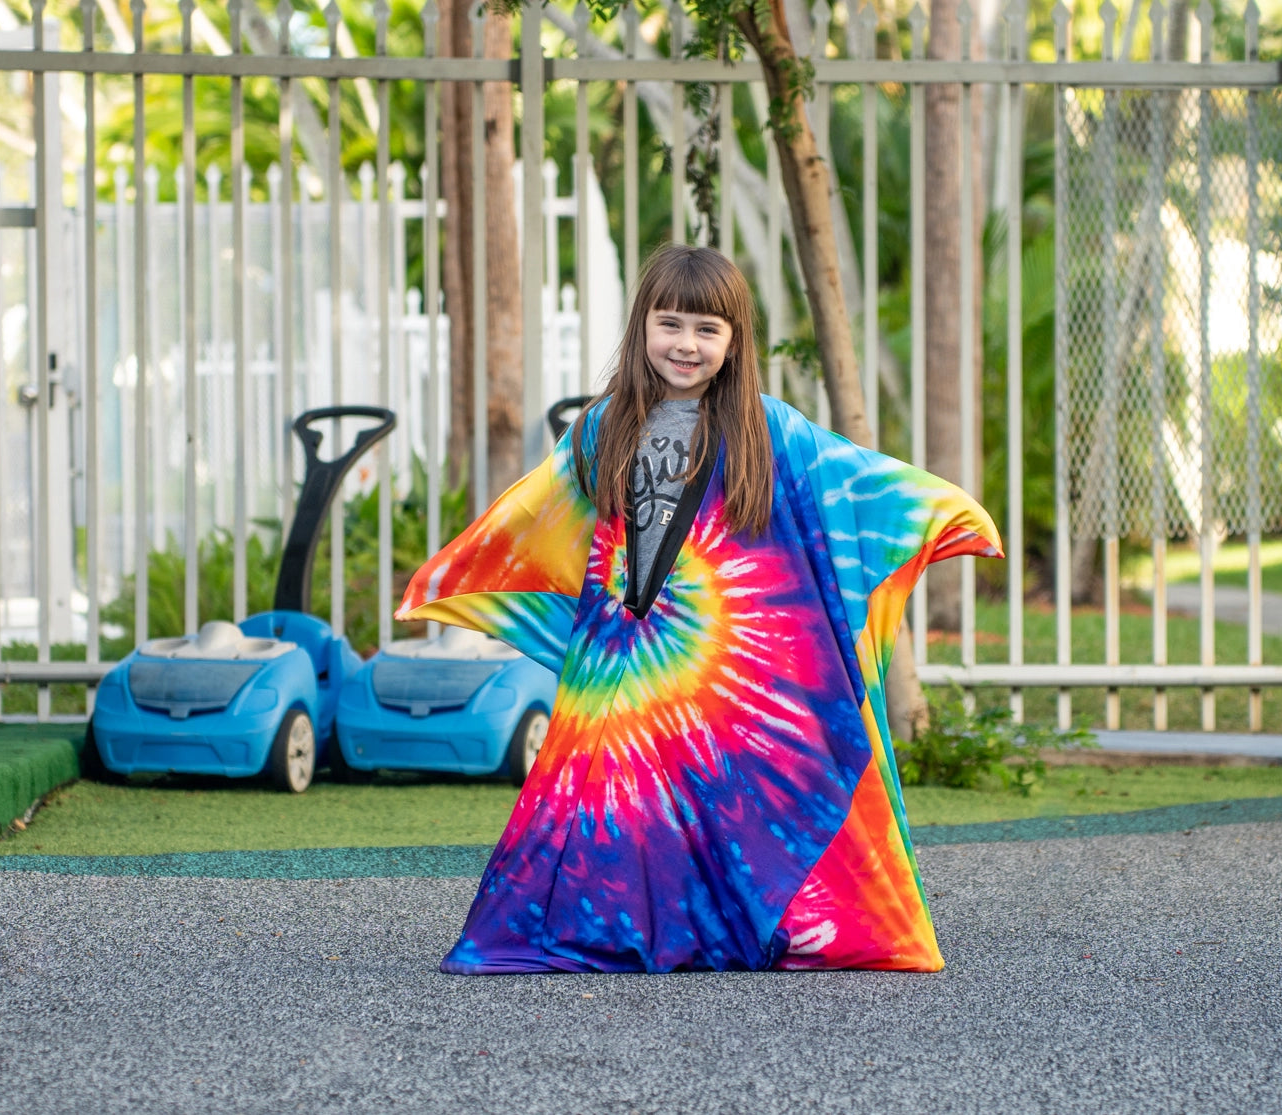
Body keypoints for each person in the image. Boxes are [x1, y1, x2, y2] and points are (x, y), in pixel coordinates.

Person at [397, 244, 1001, 974]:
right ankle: (617, 924)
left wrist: (944, 514)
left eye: (706, 330)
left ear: (733, 340)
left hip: (725, 652)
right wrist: (459, 571)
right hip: (623, 642)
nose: (686, 344)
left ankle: (722, 925)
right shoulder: (601, 426)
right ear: (641, 327)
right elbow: (543, 513)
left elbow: (856, 486)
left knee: (722, 794)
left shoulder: (768, 427)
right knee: (605, 789)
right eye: (670, 324)